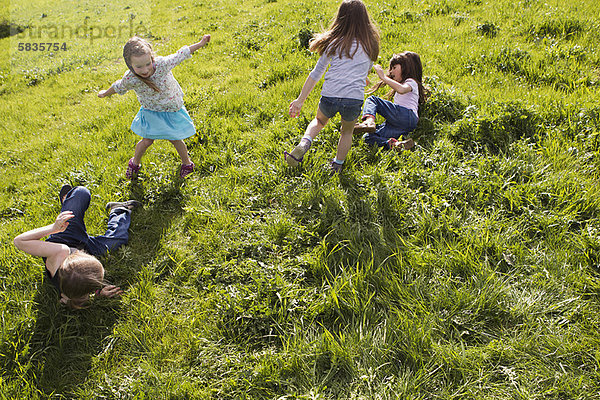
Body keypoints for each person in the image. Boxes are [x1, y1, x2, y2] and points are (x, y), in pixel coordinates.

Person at [285, 0, 380, 174]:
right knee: (346, 132)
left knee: (320, 121)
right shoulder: (370, 45)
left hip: (331, 94)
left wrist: (300, 100)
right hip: (353, 98)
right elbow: (364, 71)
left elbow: (316, 73)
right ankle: (337, 164)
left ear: (340, 19)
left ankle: (305, 143)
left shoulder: (334, 43)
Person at [98, 34, 211, 179]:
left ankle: (187, 164)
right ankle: (134, 164)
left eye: (147, 64)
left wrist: (200, 44)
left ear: (152, 58)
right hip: (151, 111)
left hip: (171, 110)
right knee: (146, 141)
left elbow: (180, 55)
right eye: (138, 66)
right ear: (130, 65)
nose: (145, 70)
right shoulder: (131, 78)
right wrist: (105, 93)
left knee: (175, 139)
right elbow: (119, 87)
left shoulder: (162, 65)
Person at [13, 185, 141, 308]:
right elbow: (82, 299)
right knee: (119, 240)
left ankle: (67, 203)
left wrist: (53, 228)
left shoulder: (59, 252)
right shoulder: (73, 293)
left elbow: (19, 241)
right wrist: (99, 294)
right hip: (83, 245)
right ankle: (118, 209)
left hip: (65, 236)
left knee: (82, 193)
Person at [353, 51, 425, 151]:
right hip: (402, 125)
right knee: (368, 137)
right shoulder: (404, 84)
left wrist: (383, 77)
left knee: (373, 100)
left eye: (394, 68)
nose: (391, 72)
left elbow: (402, 89)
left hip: (406, 115)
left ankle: (368, 121)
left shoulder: (411, 82)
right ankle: (394, 144)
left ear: (406, 67)